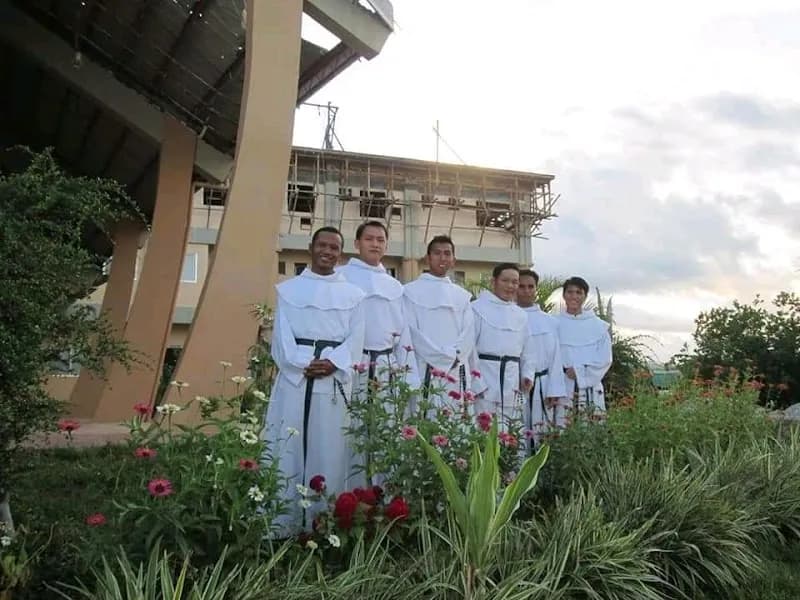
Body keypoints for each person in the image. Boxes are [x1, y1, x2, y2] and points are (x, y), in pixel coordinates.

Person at [262, 226, 365, 535]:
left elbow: (356, 337)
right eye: (322, 245)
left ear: (340, 253)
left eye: (334, 247)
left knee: (329, 446)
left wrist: (333, 362)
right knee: (288, 445)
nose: (328, 251)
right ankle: (284, 524)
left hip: (331, 378)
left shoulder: (354, 295)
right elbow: (281, 338)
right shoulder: (289, 289)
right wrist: (302, 363)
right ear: (311, 247)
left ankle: (325, 523)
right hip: (297, 376)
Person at [337, 220, 420, 485]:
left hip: (385, 366)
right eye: (370, 239)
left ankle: (383, 492)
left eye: (381, 240)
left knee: (385, 429)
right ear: (357, 243)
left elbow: (403, 333)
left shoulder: (395, 286)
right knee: (351, 429)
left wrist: (408, 377)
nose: (375, 244)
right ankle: (350, 491)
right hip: (354, 364)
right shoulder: (341, 277)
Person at [403, 235, 475, 412]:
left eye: (447, 253)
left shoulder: (462, 296)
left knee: (456, 422)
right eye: (437, 253)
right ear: (428, 258)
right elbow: (411, 332)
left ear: (453, 260)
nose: (442, 258)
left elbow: (469, 333)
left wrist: (454, 357)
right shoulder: (410, 291)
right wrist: (442, 359)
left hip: (456, 369)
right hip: (425, 367)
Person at [470, 263, 535, 431]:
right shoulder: (476, 308)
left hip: (512, 381)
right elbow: (469, 349)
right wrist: (477, 383)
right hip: (486, 380)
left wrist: (527, 375)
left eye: (515, 282)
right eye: (505, 280)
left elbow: (528, 351)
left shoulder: (521, 315)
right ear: (494, 282)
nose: (510, 286)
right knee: (484, 432)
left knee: (511, 433)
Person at [516, 269, 566, 447]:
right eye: (521, 286)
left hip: (543, 384)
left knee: (541, 433)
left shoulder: (550, 322)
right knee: (516, 430)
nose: (526, 291)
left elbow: (555, 358)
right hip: (515, 384)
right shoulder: (509, 317)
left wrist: (554, 390)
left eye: (531, 286)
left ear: (536, 289)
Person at [555, 276, 612, 414]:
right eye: (570, 292)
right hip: (562, 385)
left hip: (590, 387)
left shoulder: (598, 326)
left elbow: (605, 359)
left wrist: (579, 372)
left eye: (579, 292)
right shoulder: (553, 323)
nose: (574, 296)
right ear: (564, 295)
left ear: (585, 296)